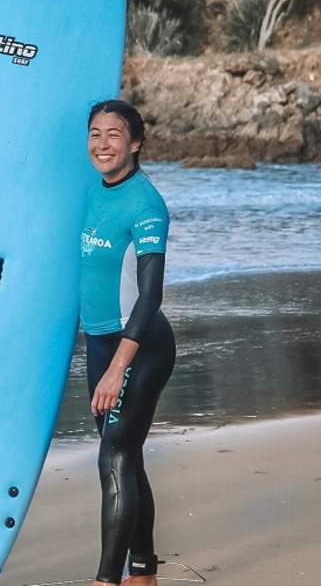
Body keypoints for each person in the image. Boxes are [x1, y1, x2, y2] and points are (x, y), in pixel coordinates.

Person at [79, 99, 176, 586]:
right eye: (95, 133)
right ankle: (144, 572)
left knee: (113, 456)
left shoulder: (145, 204)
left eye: (114, 134)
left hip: (139, 345)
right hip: (100, 343)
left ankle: (106, 580)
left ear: (135, 142)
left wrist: (118, 367)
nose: (102, 143)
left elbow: (150, 294)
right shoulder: (91, 192)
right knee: (127, 454)